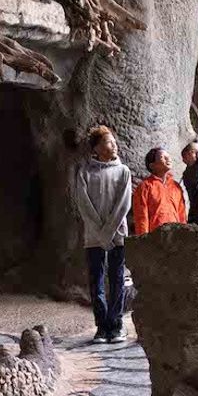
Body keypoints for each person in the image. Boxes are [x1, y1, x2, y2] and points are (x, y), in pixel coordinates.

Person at [75, 125, 132, 344]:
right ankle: (102, 326)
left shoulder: (123, 171)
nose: (114, 145)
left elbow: (123, 204)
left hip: (117, 235)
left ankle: (116, 324)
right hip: (93, 237)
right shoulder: (85, 172)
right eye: (108, 142)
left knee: (117, 279)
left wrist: (107, 232)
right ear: (96, 148)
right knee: (96, 280)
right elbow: (83, 204)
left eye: (114, 142)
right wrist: (100, 233)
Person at [133, 147, 186, 236]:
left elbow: (182, 214)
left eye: (168, 156)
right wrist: (143, 239)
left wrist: (183, 234)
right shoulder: (145, 186)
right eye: (162, 157)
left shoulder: (176, 186)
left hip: (175, 236)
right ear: (152, 166)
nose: (168, 159)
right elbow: (141, 217)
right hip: (155, 236)